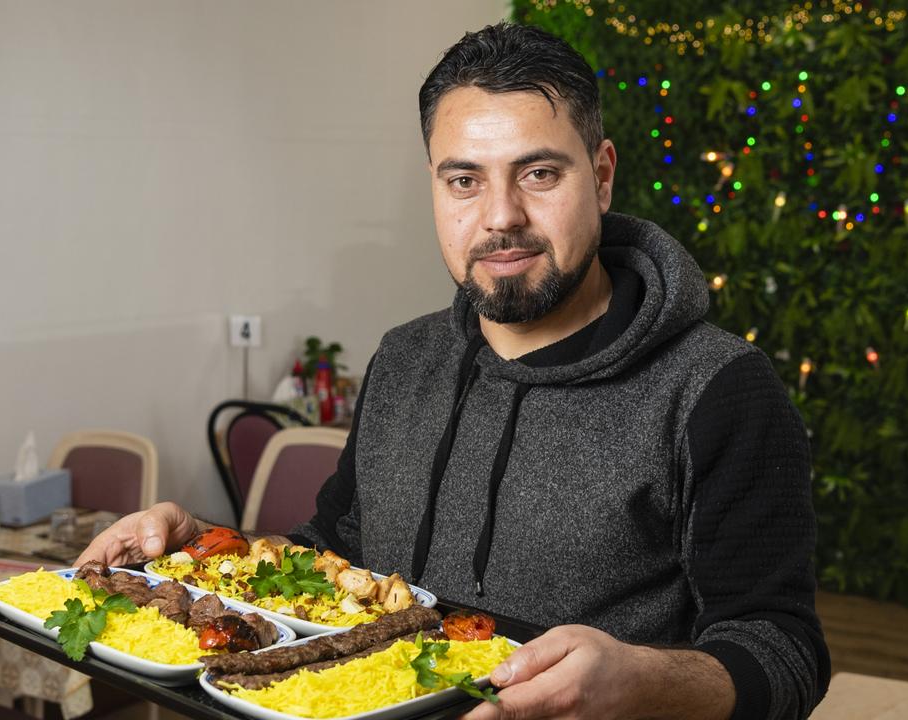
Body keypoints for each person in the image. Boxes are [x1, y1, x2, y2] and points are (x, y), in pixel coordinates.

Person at [79, 22, 829, 720]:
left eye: (538, 173)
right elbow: (331, 559)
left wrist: (641, 678)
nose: (499, 216)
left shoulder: (720, 388)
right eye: (463, 180)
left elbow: (785, 653)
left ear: (601, 177)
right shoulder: (405, 358)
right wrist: (205, 548)